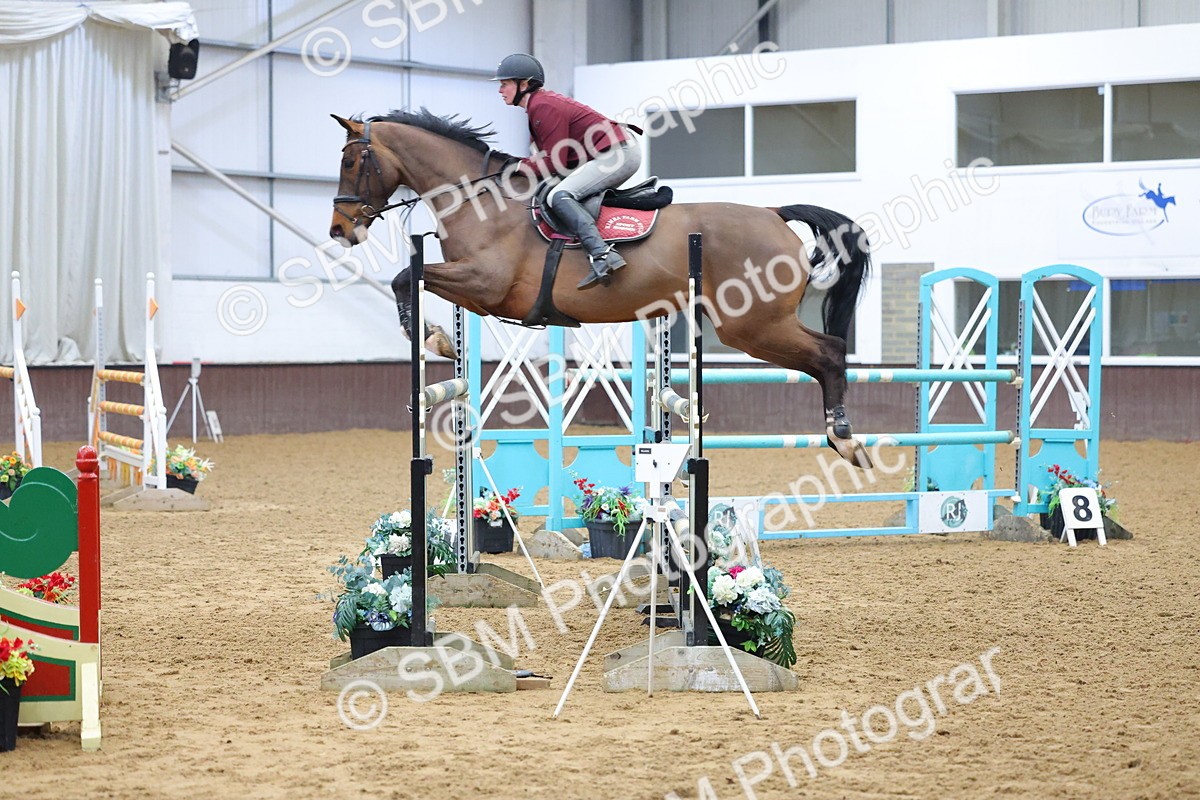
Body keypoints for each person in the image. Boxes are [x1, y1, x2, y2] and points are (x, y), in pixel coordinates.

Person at [493, 53, 643, 290]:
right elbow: (548, 160)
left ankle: (603, 255)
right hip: (610, 152)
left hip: (618, 153)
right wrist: (519, 164)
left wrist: (519, 166)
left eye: (505, 84)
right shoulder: (538, 106)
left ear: (524, 84)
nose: (500, 90)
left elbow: (554, 163)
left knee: (559, 195)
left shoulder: (542, 106)